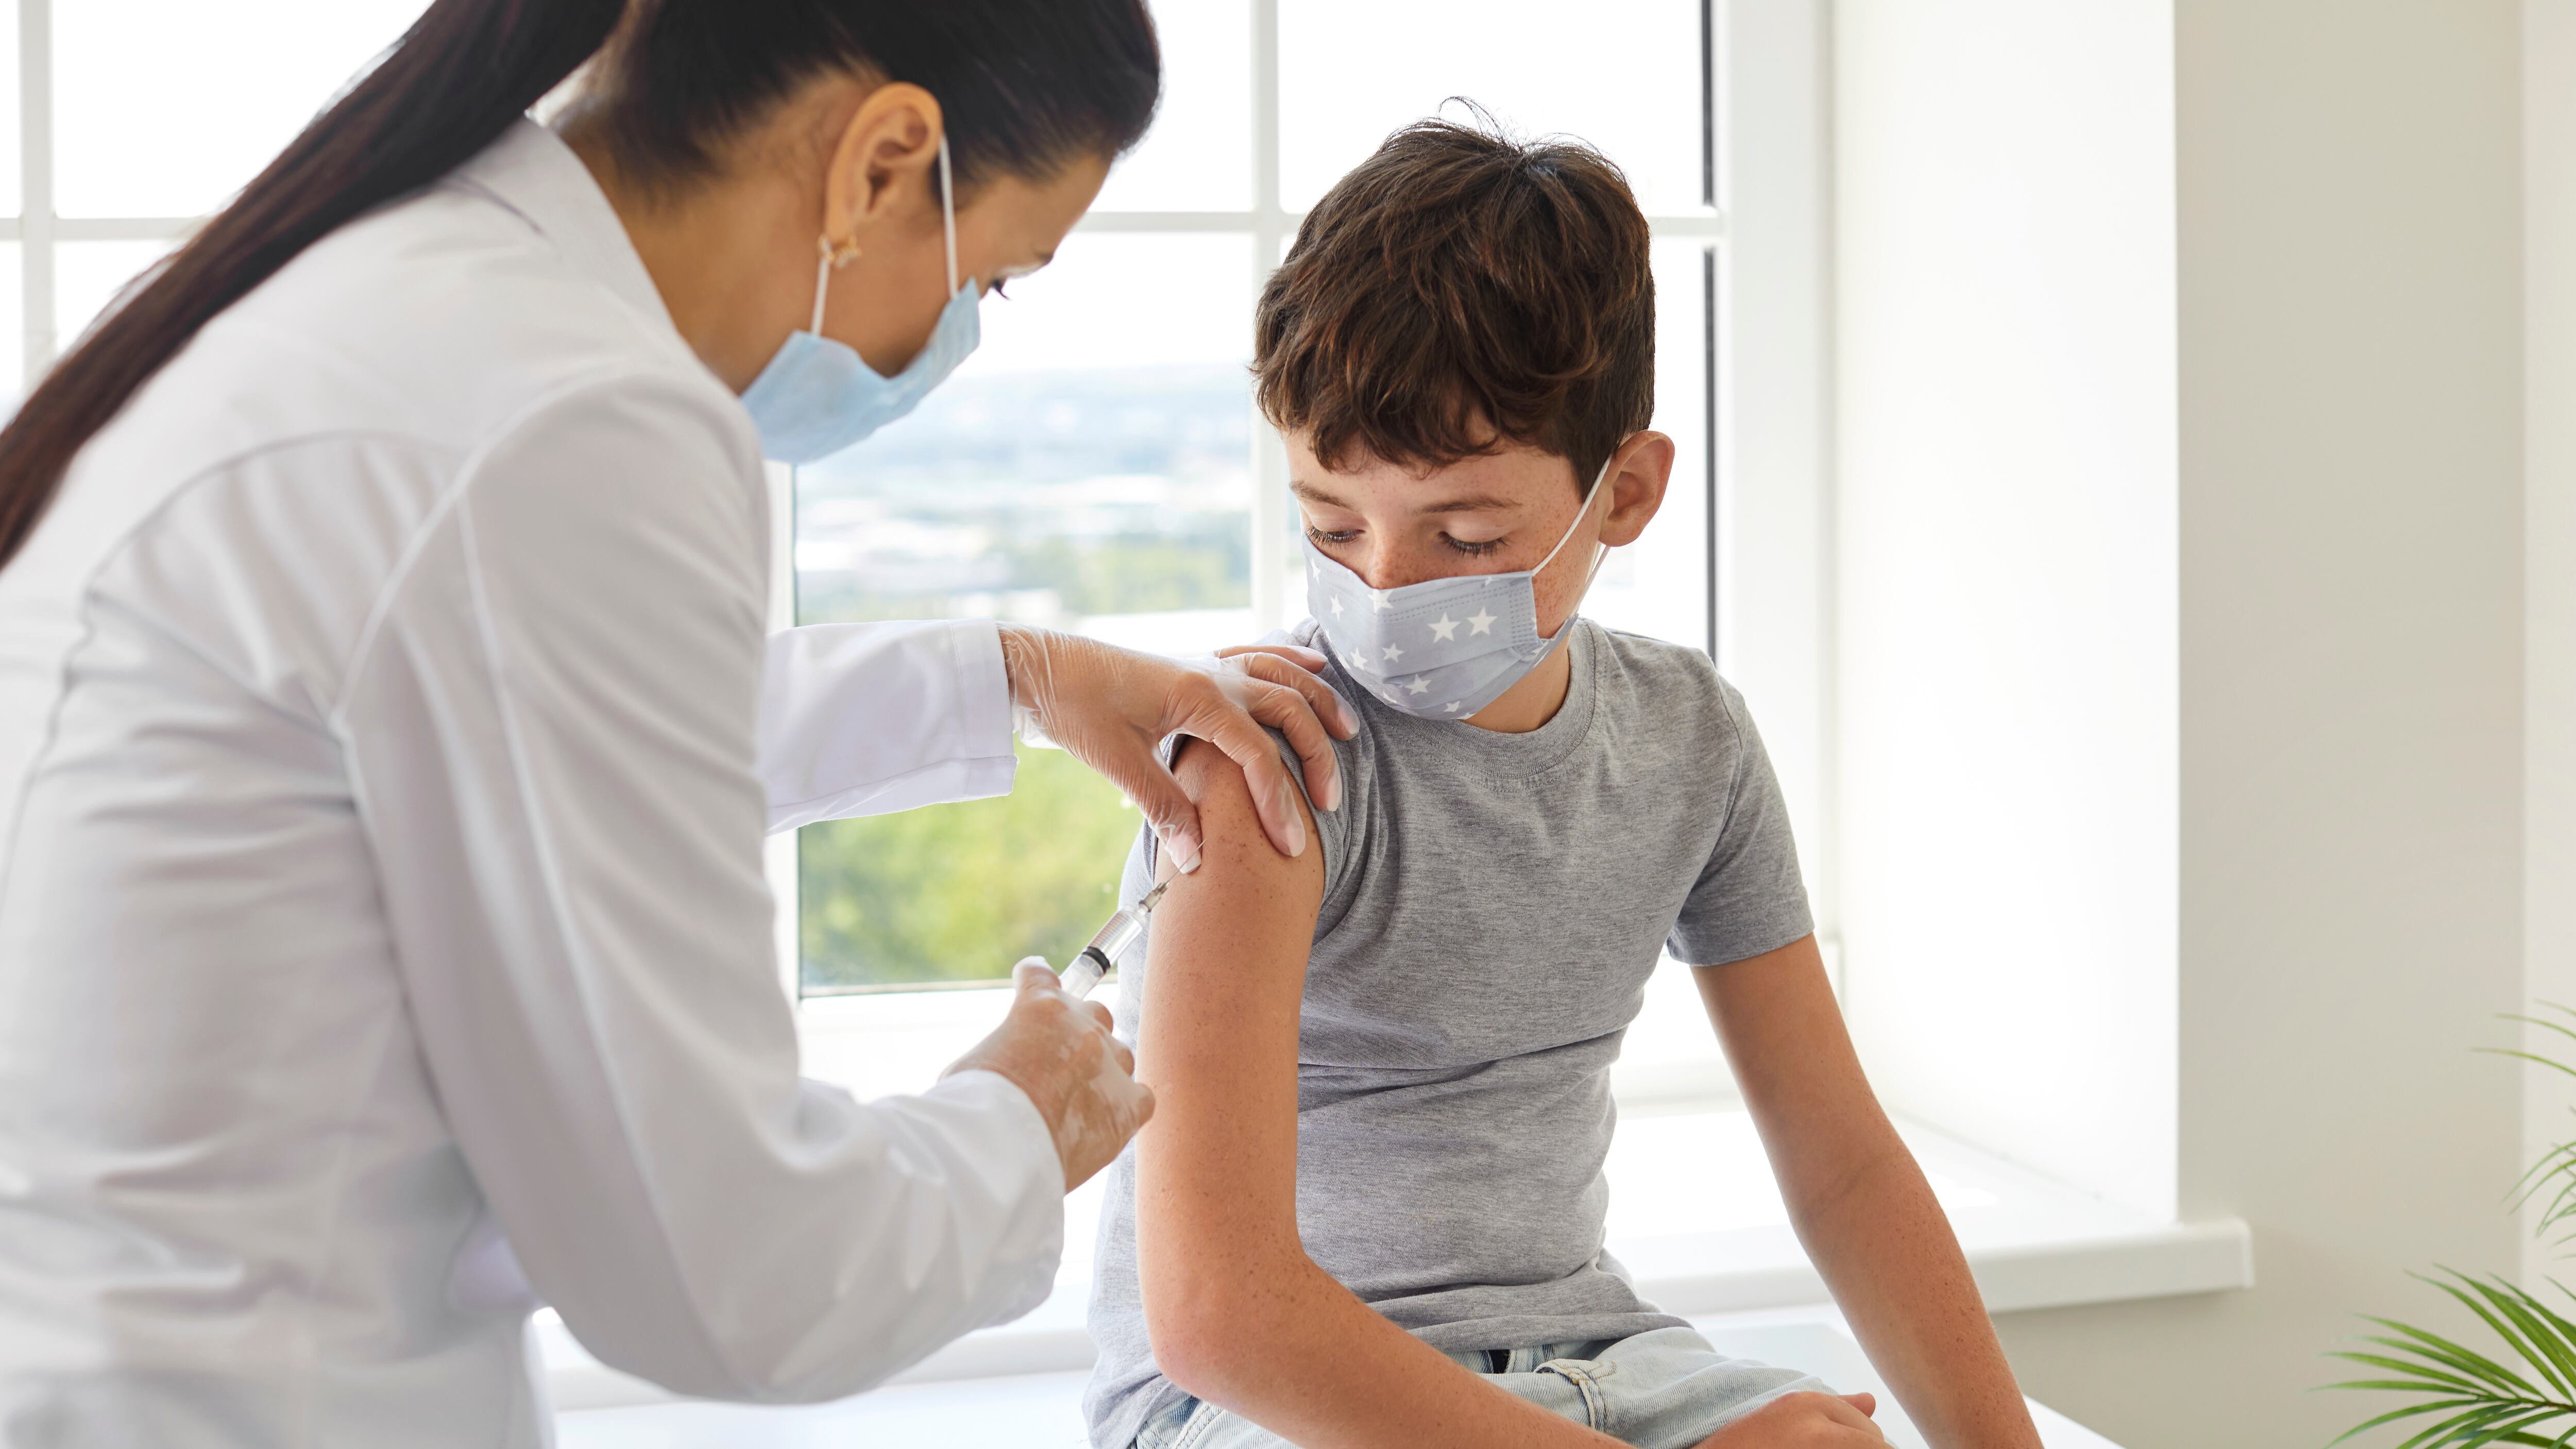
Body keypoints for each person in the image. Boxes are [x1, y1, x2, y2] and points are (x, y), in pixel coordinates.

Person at [0, 2, 1354, 1445]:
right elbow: (733, 1270)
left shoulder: (391, 301)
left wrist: (1011, 674)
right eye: (996, 280)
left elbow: (506, 749)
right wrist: (1016, 1123)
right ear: (885, 159)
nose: (952, 335)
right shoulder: (570, 416)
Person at [1082, 121, 2045, 1449]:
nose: (1384, 583)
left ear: (1628, 493)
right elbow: (1218, 1316)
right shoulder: (1267, 762)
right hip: (1272, 1396)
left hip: (1596, 1352)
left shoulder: (1691, 742)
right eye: (1329, 524)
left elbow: (1846, 1162)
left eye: (1466, 534)